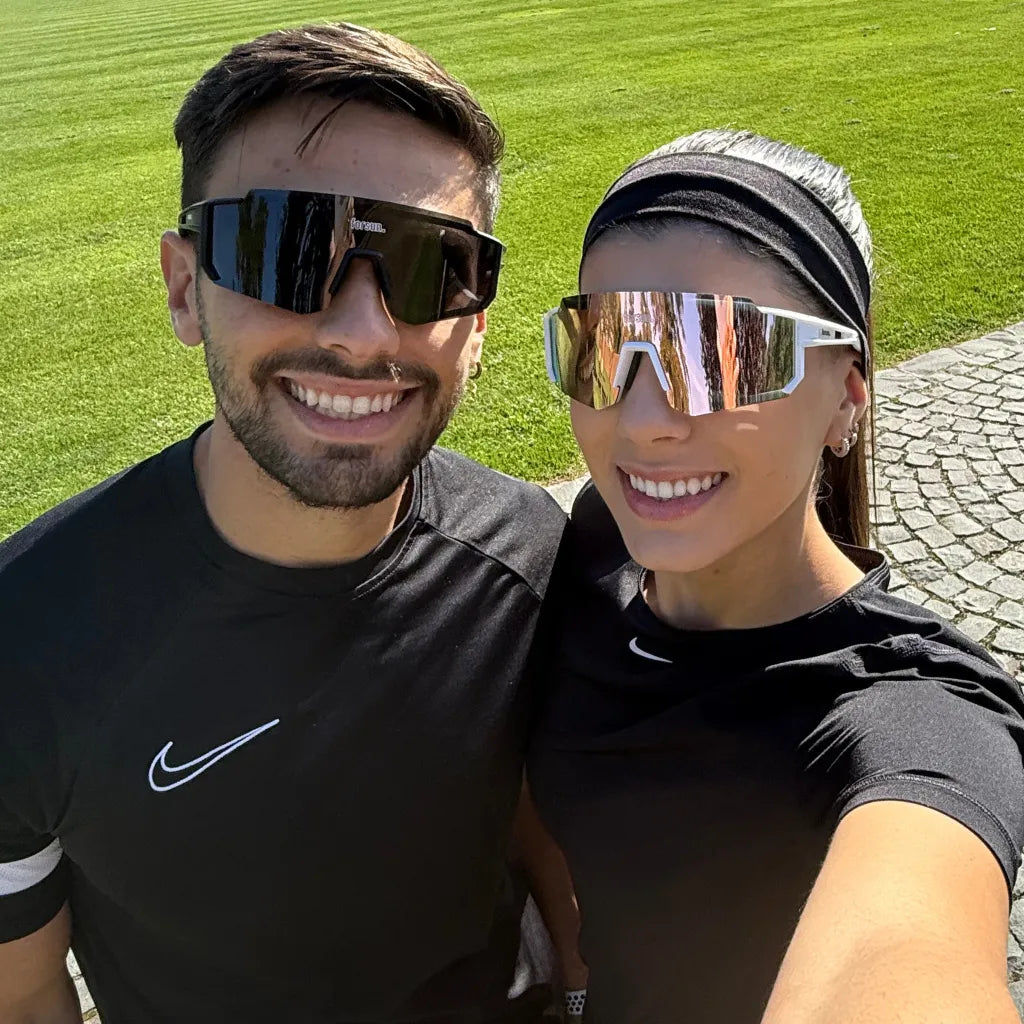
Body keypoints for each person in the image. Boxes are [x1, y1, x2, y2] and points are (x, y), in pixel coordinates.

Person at [0, 23, 580, 1024]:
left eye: (430, 266)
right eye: (286, 250)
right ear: (184, 287)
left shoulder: (531, 560)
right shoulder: (25, 640)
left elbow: (552, 843)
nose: (360, 333)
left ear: (477, 325)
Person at [529, 129, 1024, 1023]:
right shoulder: (601, 543)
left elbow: (906, 947)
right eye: (602, 345)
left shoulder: (915, 717)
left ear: (847, 396)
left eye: (718, 352)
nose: (642, 421)